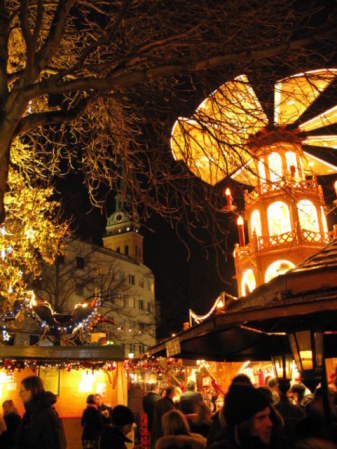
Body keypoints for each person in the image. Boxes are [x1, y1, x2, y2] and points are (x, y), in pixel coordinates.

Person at [209, 384, 286, 449]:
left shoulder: (277, 442)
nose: (270, 423)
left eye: (269, 416)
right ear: (244, 423)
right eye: (261, 418)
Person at [18, 375, 65, 449]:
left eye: (22, 391)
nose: (19, 395)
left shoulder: (46, 415)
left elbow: (53, 444)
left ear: (31, 391)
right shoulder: (30, 413)